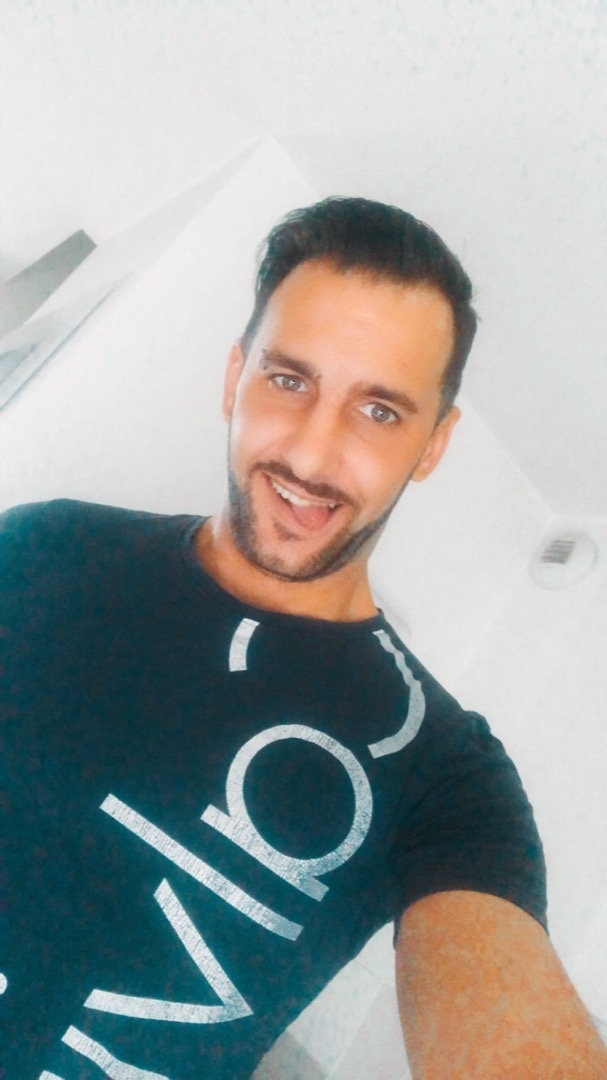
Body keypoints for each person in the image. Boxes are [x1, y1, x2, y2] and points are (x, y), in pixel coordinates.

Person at [1, 197, 605, 1079]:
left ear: (432, 446)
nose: (313, 455)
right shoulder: (45, 544)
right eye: (289, 381)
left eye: (379, 411)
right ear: (234, 378)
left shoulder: (442, 775)